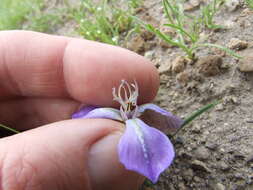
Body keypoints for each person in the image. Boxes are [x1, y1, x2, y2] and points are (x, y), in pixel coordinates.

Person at [0, 31, 159, 190]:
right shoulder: (108, 113)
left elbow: (169, 120)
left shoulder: (135, 119)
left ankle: (150, 170)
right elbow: (80, 116)